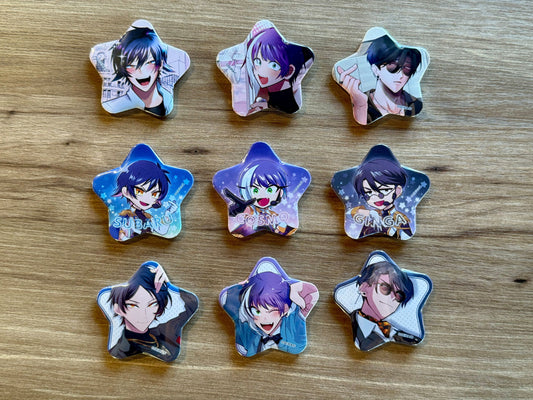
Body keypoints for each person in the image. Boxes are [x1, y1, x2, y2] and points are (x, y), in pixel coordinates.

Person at [101, 262, 198, 361]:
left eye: (152, 304)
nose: (144, 315)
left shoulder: (164, 330)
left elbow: (191, 303)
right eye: (133, 305)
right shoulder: (119, 349)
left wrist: (167, 284)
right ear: (117, 309)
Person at [220, 263, 318, 357]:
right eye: (257, 311)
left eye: (271, 311)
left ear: (285, 309)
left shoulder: (294, 319)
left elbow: (312, 291)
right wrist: (244, 287)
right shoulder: (248, 330)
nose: (264, 318)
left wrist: (292, 289)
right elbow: (225, 297)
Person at [337, 34, 423, 124]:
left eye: (407, 68)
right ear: (376, 69)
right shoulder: (362, 100)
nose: (400, 75)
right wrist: (361, 106)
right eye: (393, 67)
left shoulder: (415, 104)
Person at [343, 260, 420, 351]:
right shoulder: (353, 325)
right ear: (364, 288)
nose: (392, 298)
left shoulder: (402, 336)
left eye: (399, 296)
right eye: (385, 288)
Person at [103, 25, 173, 117]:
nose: (141, 71)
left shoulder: (168, 99)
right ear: (122, 68)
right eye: (131, 65)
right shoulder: (114, 105)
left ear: (160, 64)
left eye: (149, 62)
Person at [245, 27, 314, 114]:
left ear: (289, 72)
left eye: (274, 65)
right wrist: (267, 104)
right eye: (257, 61)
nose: (261, 71)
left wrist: (268, 105)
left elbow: (290, 107)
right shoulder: (272, 86)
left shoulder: (284, 91)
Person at [350, 149, 413, 239]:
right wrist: (368, 213)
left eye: (384, 190)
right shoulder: (371, 214)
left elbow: (405, 235)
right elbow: (351, 213)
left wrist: (389, 229)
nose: (376, 197)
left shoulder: (400, 218)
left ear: (397, 191)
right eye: (369, 192)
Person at [224, 160, 295, 237]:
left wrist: (281, 227)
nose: (262, 195)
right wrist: (234, 211)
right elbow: (239, 223)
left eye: (270, 190)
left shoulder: (274, 215)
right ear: (247, 192)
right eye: (255, 190)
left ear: (280, 192)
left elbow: (284, 229)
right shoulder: (249, 211)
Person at [111, 160, 177, 241]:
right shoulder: (126, 214)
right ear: (126, 192)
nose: (147, 198)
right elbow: (113, 231)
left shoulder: (148, 217)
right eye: (140, 191)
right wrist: (123, 237)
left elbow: (162, 231)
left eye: (154, 194)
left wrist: (168, 213)